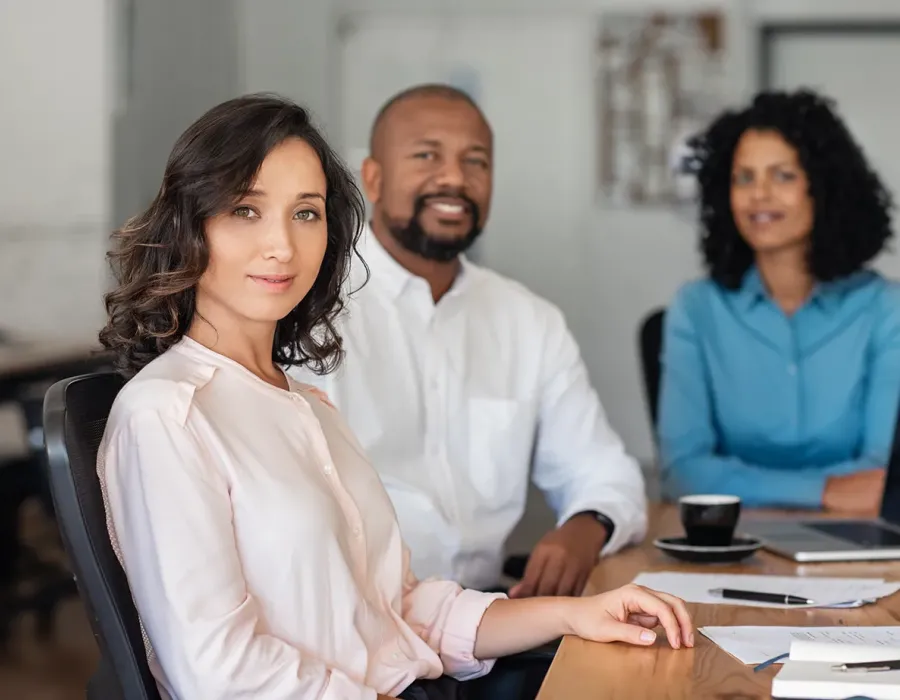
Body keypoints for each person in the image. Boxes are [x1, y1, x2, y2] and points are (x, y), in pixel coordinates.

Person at [95, 94, 693, 700]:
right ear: (189, 224)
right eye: (246, 211)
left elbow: (401, 610)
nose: (282, 244)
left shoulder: (308, 406)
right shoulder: (168, 415)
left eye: (306, 213)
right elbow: (219, 675)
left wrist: (574, 615)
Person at [290, 84, 647, 597]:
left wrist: (584, 530)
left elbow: (606, 472)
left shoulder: (529, 322)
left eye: (476, 161)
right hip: (361, 632)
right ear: (374, 178)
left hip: (491, 623)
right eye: (426, 155)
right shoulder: (310, 310)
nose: (455, 178)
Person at [658, 89, 900, 514]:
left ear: (822, 189)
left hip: (858, 542)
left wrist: (740, 481)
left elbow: (882, 474)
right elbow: (684, 472)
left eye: (783, 175)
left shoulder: (884, 309)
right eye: (744, 177)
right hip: (731, 539)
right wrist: (824, 491)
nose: (759, 195)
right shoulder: (696, 309)